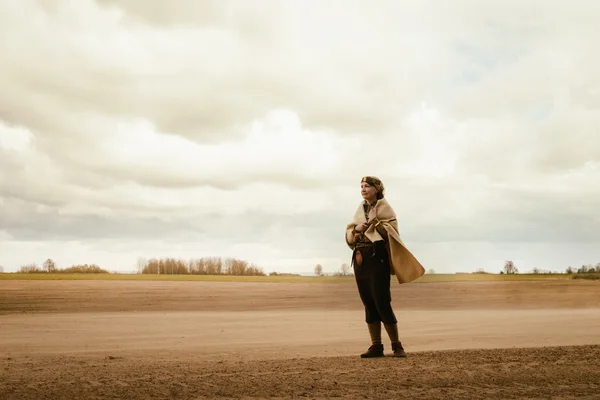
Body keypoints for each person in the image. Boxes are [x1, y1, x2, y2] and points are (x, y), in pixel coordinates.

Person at [345, 176, 425, 358]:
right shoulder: (360, 209)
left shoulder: (386, 209)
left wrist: (376, 222)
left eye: (367, 186)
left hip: (377, 258)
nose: (363, 189)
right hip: (360, 259)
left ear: (377, 188)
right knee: (368, 301)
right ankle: (376, 346)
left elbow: (392, 234)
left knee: (381, 300)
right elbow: (350, 233)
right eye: (361, 186)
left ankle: (397, 346)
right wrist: (356, 230)